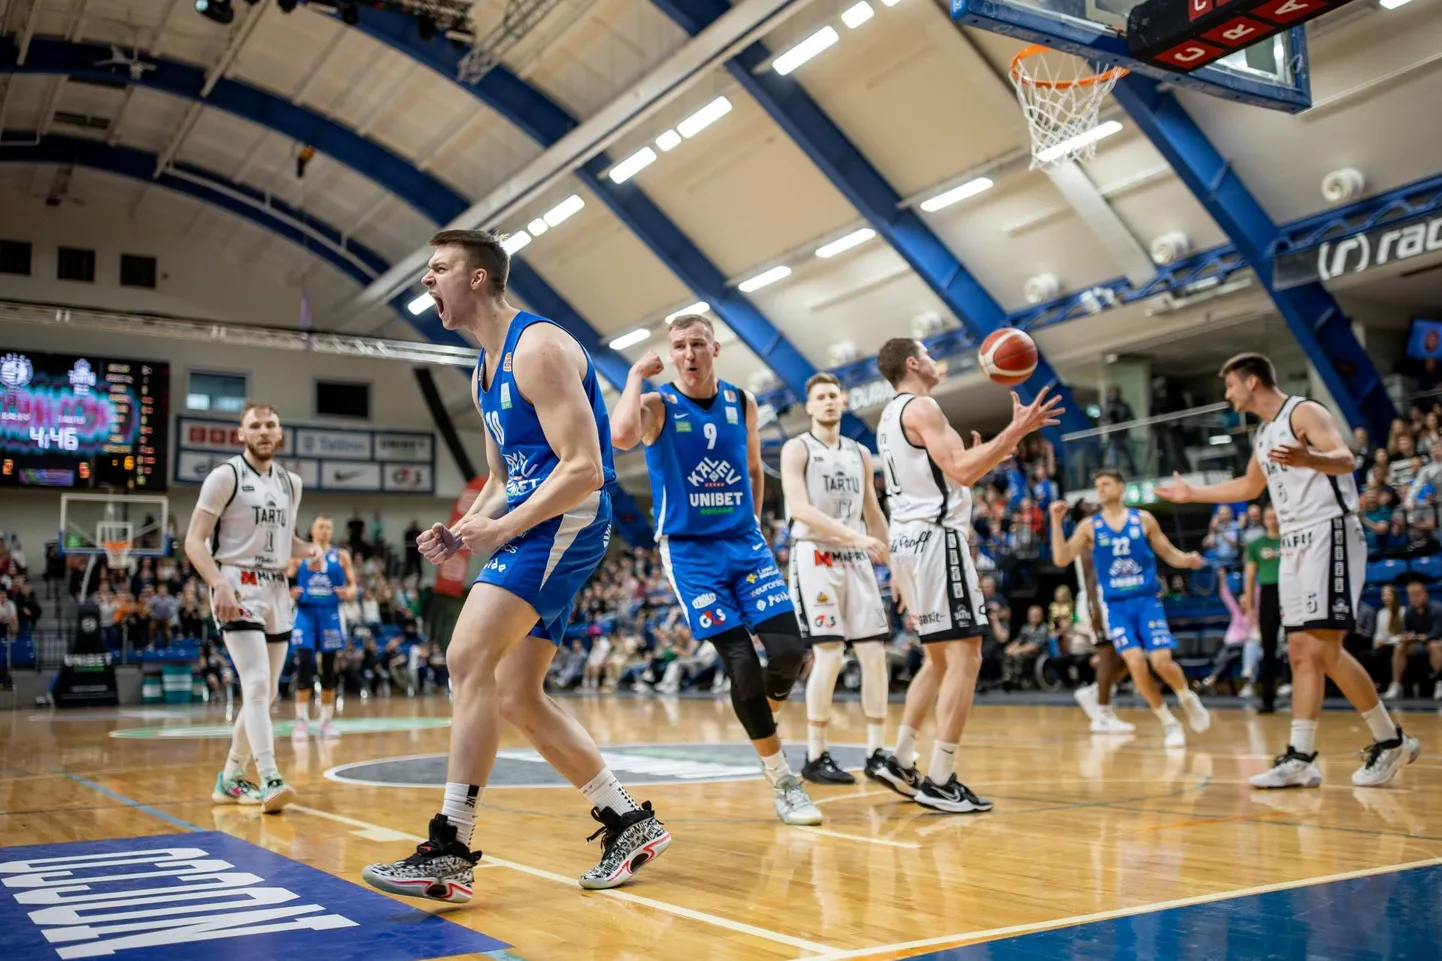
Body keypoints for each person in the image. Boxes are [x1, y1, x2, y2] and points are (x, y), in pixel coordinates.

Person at [362, 229, 669, 903]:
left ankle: (450, 846)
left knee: (465, 655)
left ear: (476, 279)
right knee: (512, 693)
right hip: (534, 523)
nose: (426, 280)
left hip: (570, 521)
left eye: (438, 268)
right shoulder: (480, 370)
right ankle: (628, 818)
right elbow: (504, 477)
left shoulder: (540, 348)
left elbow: (586, 469)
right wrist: (470, 525)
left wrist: (502, 525)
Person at [1157, 353, 1420, 787]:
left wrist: (1309, 458)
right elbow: (1248, 486)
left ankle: (1392, 742)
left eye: (1230, 386)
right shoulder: (1264, 434)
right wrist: (1192, 495)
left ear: (1252, 381)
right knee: (1299, 651)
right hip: (1293, 544)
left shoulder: (1304, 412)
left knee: (1324, 648)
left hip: (1328, 531)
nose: (1227, 394)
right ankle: (1301, 757)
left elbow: (1345, 459)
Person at [610, 316, 820, 826]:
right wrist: (636, 373)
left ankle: (761, 711)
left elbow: (752, 469)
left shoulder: (741, 402)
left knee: (790, 654)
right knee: (742, 666)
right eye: (679, 346)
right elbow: (619, 438)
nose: (688, 354)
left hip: (744, 543)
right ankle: (784, 780)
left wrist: (754, 526)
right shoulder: (658, 405)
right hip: (689, 553)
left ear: (715, 348)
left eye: (697, 344)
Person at [864, 338, 1062, 812]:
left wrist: (985, 455)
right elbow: (962, 471)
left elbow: (950, 472)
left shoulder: (891, 414)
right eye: (928, 353)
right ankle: (940, 777)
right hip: (935, 541)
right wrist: (1015, 431)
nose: (935, 360)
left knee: (937, 660)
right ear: (912, 363)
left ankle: (900, 757)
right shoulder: (924, 407)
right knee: (968, 656)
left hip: (908, 542)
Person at [185, 401, 317, 813]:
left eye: (270, 425)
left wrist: (309, 549)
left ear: (279, 435)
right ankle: (270, 775)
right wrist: (218, 583)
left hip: (277, 587)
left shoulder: (290, 483)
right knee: (257, 685)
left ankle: (230, 777)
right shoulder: (225, 476)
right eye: (255, 425)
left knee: (264, 691)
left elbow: (284, 540)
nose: (263, 431)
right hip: (236, 583)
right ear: (241, 434)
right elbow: (194, 540)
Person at [778, 373, 891, 785]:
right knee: (829, 654)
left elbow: (873, 510)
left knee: (874, 652)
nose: (828, 402)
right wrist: (857, 537)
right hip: (816, 555)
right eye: (820, 397)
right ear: (808, 406)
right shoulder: (797, 448)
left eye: (833, 396)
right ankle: (815, 754)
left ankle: (878, 751)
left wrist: (895, 567)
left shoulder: (860, 452)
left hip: (856, 555)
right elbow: (798, 508)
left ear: (842, 402)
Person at [1049, 470, 1211, 748]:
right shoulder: (1090, 526)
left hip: (1147, 602)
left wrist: (1188, 560)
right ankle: (1168, 722)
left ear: (1121, 488)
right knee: (1134, 662)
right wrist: (1054, 521)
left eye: (1106, 484)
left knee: (1161, 662)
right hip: (1117, 606)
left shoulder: (1143, 519)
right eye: (1097, 485)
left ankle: (1186, 697)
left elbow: (1168, 553)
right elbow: (1062, 557)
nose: (1100, 489)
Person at [287, 515, 357, 741]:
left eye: (329, 526)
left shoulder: (341, 556)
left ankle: (326, 721)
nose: (326, 530)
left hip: (330, 615)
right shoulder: (300, 555)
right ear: (312, 530)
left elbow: (353, 585)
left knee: (329, 669)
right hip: (305, 614)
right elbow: (286, 580)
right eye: (321, 526)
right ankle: (301, 721)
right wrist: (289, 592)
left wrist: (349, 593)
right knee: (304, 664)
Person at [1069, 502, 1134, 734]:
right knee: (1109, 656)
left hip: (1109, 601)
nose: (1098, 509)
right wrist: (1094, 610)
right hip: (1096, 602)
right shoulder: (1085, 537)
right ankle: (1103, 714)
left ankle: (1096, 691)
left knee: (1133, 653)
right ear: (1084, 517)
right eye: (1092, 509)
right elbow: (1089, 580)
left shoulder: (1100, 535)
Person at [1242, 506, 1283, 711]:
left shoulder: (1289, 540)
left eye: (1276, 517)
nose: (1273, 521)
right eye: (1269, 517)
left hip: (1291, 591)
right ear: (1264, 520)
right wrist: (1249, 608)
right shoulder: (1256, 544)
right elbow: (1249, 577)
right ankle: (1268, 699)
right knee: (1268, 649)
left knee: (1299, 647)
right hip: (1268, 594)